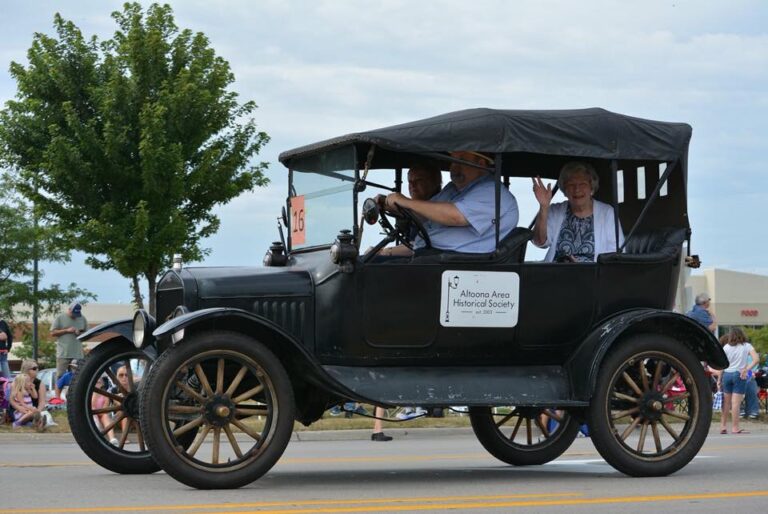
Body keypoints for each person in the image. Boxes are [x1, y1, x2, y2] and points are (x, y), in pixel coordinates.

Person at [381, 151, 519, 257]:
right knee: (368, 261)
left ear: (481, 164)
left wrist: (405, 202)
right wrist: (385, 203)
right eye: (452, 161)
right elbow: (424, 214)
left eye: (461, 160)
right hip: (431, 257)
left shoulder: (492, 192)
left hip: (458, 264)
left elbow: (456, 216)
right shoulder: (453, 188)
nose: (453, 167)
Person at [532, 161, 623, 262]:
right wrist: (544, 207)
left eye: (582, 184)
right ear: (564, 189)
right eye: (571, 184)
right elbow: (539, 242)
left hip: (593, 275)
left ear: (591, 187)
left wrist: (580, 265)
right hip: (555, 273)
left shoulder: (607, 213)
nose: (577, 189)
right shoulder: (555, 210)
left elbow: (616, 254)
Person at [718, 328, 759, 434]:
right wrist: (747, 369)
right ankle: (735, 427)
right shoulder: (746, 346)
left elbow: (722, 364)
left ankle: (723, 426)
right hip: (739, 375)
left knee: (726, 403)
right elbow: (756, 359)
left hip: (727, 375)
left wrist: (719, 379)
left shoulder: (726, 347)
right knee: (735, 403)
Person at [50, 302, 88, 378]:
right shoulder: (60, 317)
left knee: (78, 377)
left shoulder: (82, 318)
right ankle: (59, 390)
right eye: (73, 313)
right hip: (64, 354)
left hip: (78, 354)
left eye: (77, 314)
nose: (75, 316)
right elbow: (52, 333)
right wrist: (66, 330)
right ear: (69, 310)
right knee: (60, 376)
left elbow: (87, 333)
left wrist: (79, 333)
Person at [21, 359, 57, 427]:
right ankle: (37, 423)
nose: (37, 370)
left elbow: (42, 402)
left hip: (34, 409)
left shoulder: (40, 384)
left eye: (38, 368)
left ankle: (39, 422)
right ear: (26, 370)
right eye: (34, 368)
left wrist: (38, 411)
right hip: (21, 409)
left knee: (42, 414)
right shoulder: (19, 381)